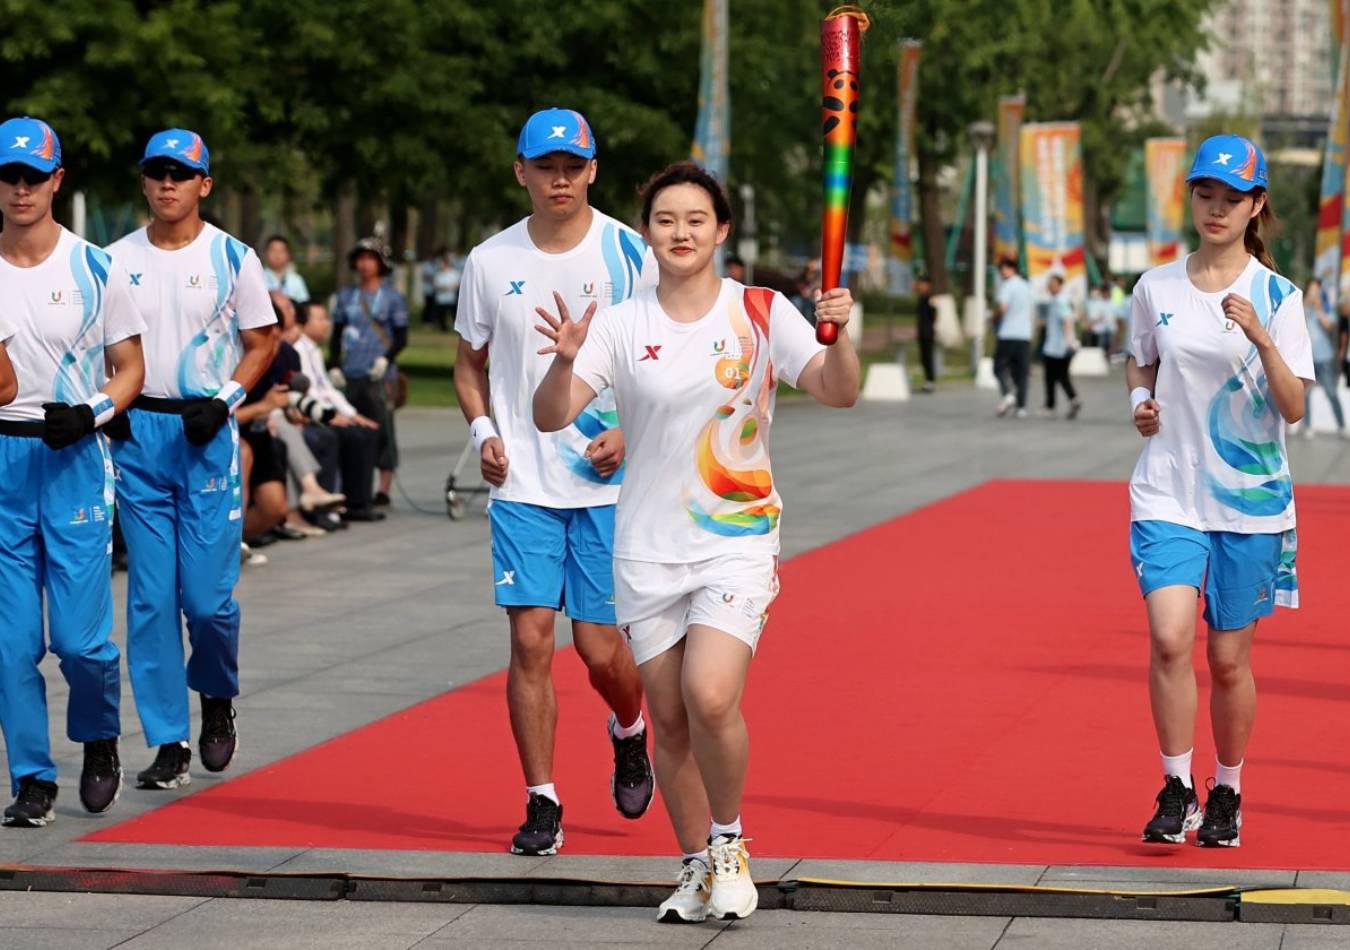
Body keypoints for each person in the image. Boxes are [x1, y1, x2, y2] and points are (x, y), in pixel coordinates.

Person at [533, 162, 861, 923]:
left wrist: (844, 334)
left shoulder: (759, 310)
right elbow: (552, 416)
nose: (680, 232)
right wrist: (561, 358)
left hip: (736, 536)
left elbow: (838, 390)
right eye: (665, 220)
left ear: (721, 230)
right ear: (647, 232)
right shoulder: (619, 322)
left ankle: (729, 843)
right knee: (669, 721)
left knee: (710, 696)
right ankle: (694, 867)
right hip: (646, 546)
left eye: (695, 220)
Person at [454, 107, 656, 857]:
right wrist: (484, 433)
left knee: (600, 650)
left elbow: (663, 356)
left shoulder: (630, 254)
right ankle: (542, 799)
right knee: (531, 641)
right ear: (522, 172)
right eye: (546, 165)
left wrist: (631, 430)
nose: (560, 177)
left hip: (608, 486)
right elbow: (467, 365)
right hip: (525, 489)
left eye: (573, 165)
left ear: (593, 170)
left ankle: (629, 729)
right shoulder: (488, 261)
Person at [1127, 135, 1313, 850]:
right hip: (1168, 490)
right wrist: (1138, 406)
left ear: (1256, 205)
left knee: (1228, 660)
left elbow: (1294, 407)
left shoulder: (1280, 297)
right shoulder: (1157, 288)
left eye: (1232, 198)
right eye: (1205, 193)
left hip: (1250, 500)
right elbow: (1139, 366)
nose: (1216, 208)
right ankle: (1177, 787)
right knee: (1170, 636)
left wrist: (1262, 339)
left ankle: (1227, 790)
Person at [108, 128, 278, 791]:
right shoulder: (113, 259)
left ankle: (215, 695)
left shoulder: (233, 258)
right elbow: (96, 344)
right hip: (140, 434)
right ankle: (168, 739)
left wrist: (228, 398)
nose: (169, 183)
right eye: (158, 172)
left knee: (206, 603)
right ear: (145, 182)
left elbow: (261, 343)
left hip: (205, 433)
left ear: (205, 183)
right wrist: (110, 408)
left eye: (183, 173)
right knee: (150, 600)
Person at [0, 117, 147, 825]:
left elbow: (130, 371)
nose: (21, 189)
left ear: (58, 180)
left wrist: (89, 413)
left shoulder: (95, 266)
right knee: (11, 644)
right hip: (4, 458)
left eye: (34, 176)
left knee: (81, 644)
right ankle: (31, 777)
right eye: (9, 176)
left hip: (75, 459)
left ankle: (96, 738)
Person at [331, 238, 406, 507]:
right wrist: (334, 364)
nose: (364, 264)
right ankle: (351, 484)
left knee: (383, 428)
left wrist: (387, 360)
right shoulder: (345, 296)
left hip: (380, 374)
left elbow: (401, 336)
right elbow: (336, 333)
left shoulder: (392, 297)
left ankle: (383, 487)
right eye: (361, 258)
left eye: (370, 258)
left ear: (380, 263)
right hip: (351, 371)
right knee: (351, 427)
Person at [295, 301, 384, 522]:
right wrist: (334, 416)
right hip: (313, 413)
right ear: (304, 323)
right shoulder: (299, 349)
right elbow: (311, 393)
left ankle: (358, 500)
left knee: (367, 431)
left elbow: (327, 389)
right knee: (348, 436)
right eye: (320, 318)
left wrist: (353, 414)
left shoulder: (312, 349)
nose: (327, 324)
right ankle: (341, 504)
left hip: (325, 410)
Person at [1302, 277, 1346, 439]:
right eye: (1312, 289)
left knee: (1331, 393)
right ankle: (1307, 426)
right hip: (1307, 359)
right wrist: (1307, 303)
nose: (1314, 293)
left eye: (1317, 290)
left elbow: (1329, 326)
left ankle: (1341, 425)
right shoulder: (1302, 307)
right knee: (1305, 395)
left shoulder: (1327, 308)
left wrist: (1319, 307)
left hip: (1324, 358)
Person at [993, 257, 1033, 417]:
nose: (1002, 272)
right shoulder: (1026, 286)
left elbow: (1003, 308)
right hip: (1024, 335)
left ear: (1012, 269)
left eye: (1004, 268)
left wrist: (994, 318)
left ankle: (1008, 394)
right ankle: (1021, 407)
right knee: (1021, 372)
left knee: (998, 367)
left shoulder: (1007, 286)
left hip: (1008, 333)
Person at [1039, 274, 1082, 419]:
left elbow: (1067, 321)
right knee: (1062, 376)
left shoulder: (1060, 301)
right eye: (1049, 283)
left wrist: (1069, 341)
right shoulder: (1057, 301)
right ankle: (1073, 399)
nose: (1050, 286)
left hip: (1057, 347)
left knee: (1051, 377)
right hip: (1056, 345)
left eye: (1053, 283)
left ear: (1060, 285)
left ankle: (1050, 406)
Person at [261, 234, 310, 304]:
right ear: (265, 254)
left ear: (288, 255)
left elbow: (304, 304)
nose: (277, 255)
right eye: (273, 250)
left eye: (281, 251)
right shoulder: (259, 278)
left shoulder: (297, 280)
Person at [914, 274, 937, 393]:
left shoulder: (930, 298)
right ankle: (927, 380)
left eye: (922, 283)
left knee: (928, 356)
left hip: (928, 332)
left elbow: (934, 316)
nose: (920, 286)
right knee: (923, 357)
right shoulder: (921, 297)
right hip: (922, 331)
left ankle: (930, 380)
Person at [1087, 283, 1117, 353]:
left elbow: (1116, 319)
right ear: (1102, 292)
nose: (1108, 293)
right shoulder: (1097, 304)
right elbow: (1092, 320)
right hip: (1100, 332)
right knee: (1100, 353)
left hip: (1111, 332)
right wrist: (1099, 318)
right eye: (1105, 291)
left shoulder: (1113, 304)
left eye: (1108, 291)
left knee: (1111, 354)